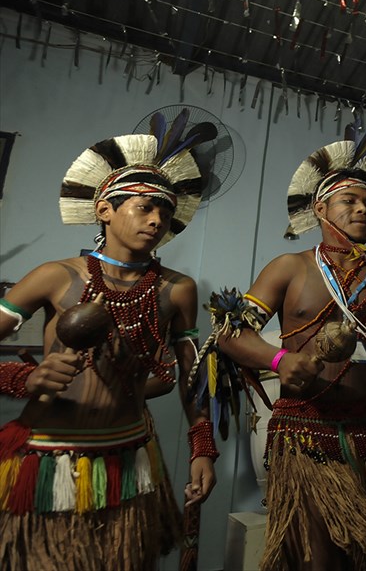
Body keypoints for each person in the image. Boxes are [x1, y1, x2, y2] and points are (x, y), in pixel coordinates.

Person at [216, 135, 366, 570]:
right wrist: (279, 360)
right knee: (318, 558)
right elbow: (229, 334)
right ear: (320, 210)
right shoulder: (290, 267)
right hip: (307, 430)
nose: (363, 208)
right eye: (349, 200)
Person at [0, 129, 218, 570]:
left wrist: (202, 447)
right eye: (145, 206)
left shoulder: (178, 290)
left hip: (130, 456)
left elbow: (192, 378)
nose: (157, 219)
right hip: (49, 456)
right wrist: (25, 377)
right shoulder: (55, 276)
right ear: (104, 209)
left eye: (166, 210)